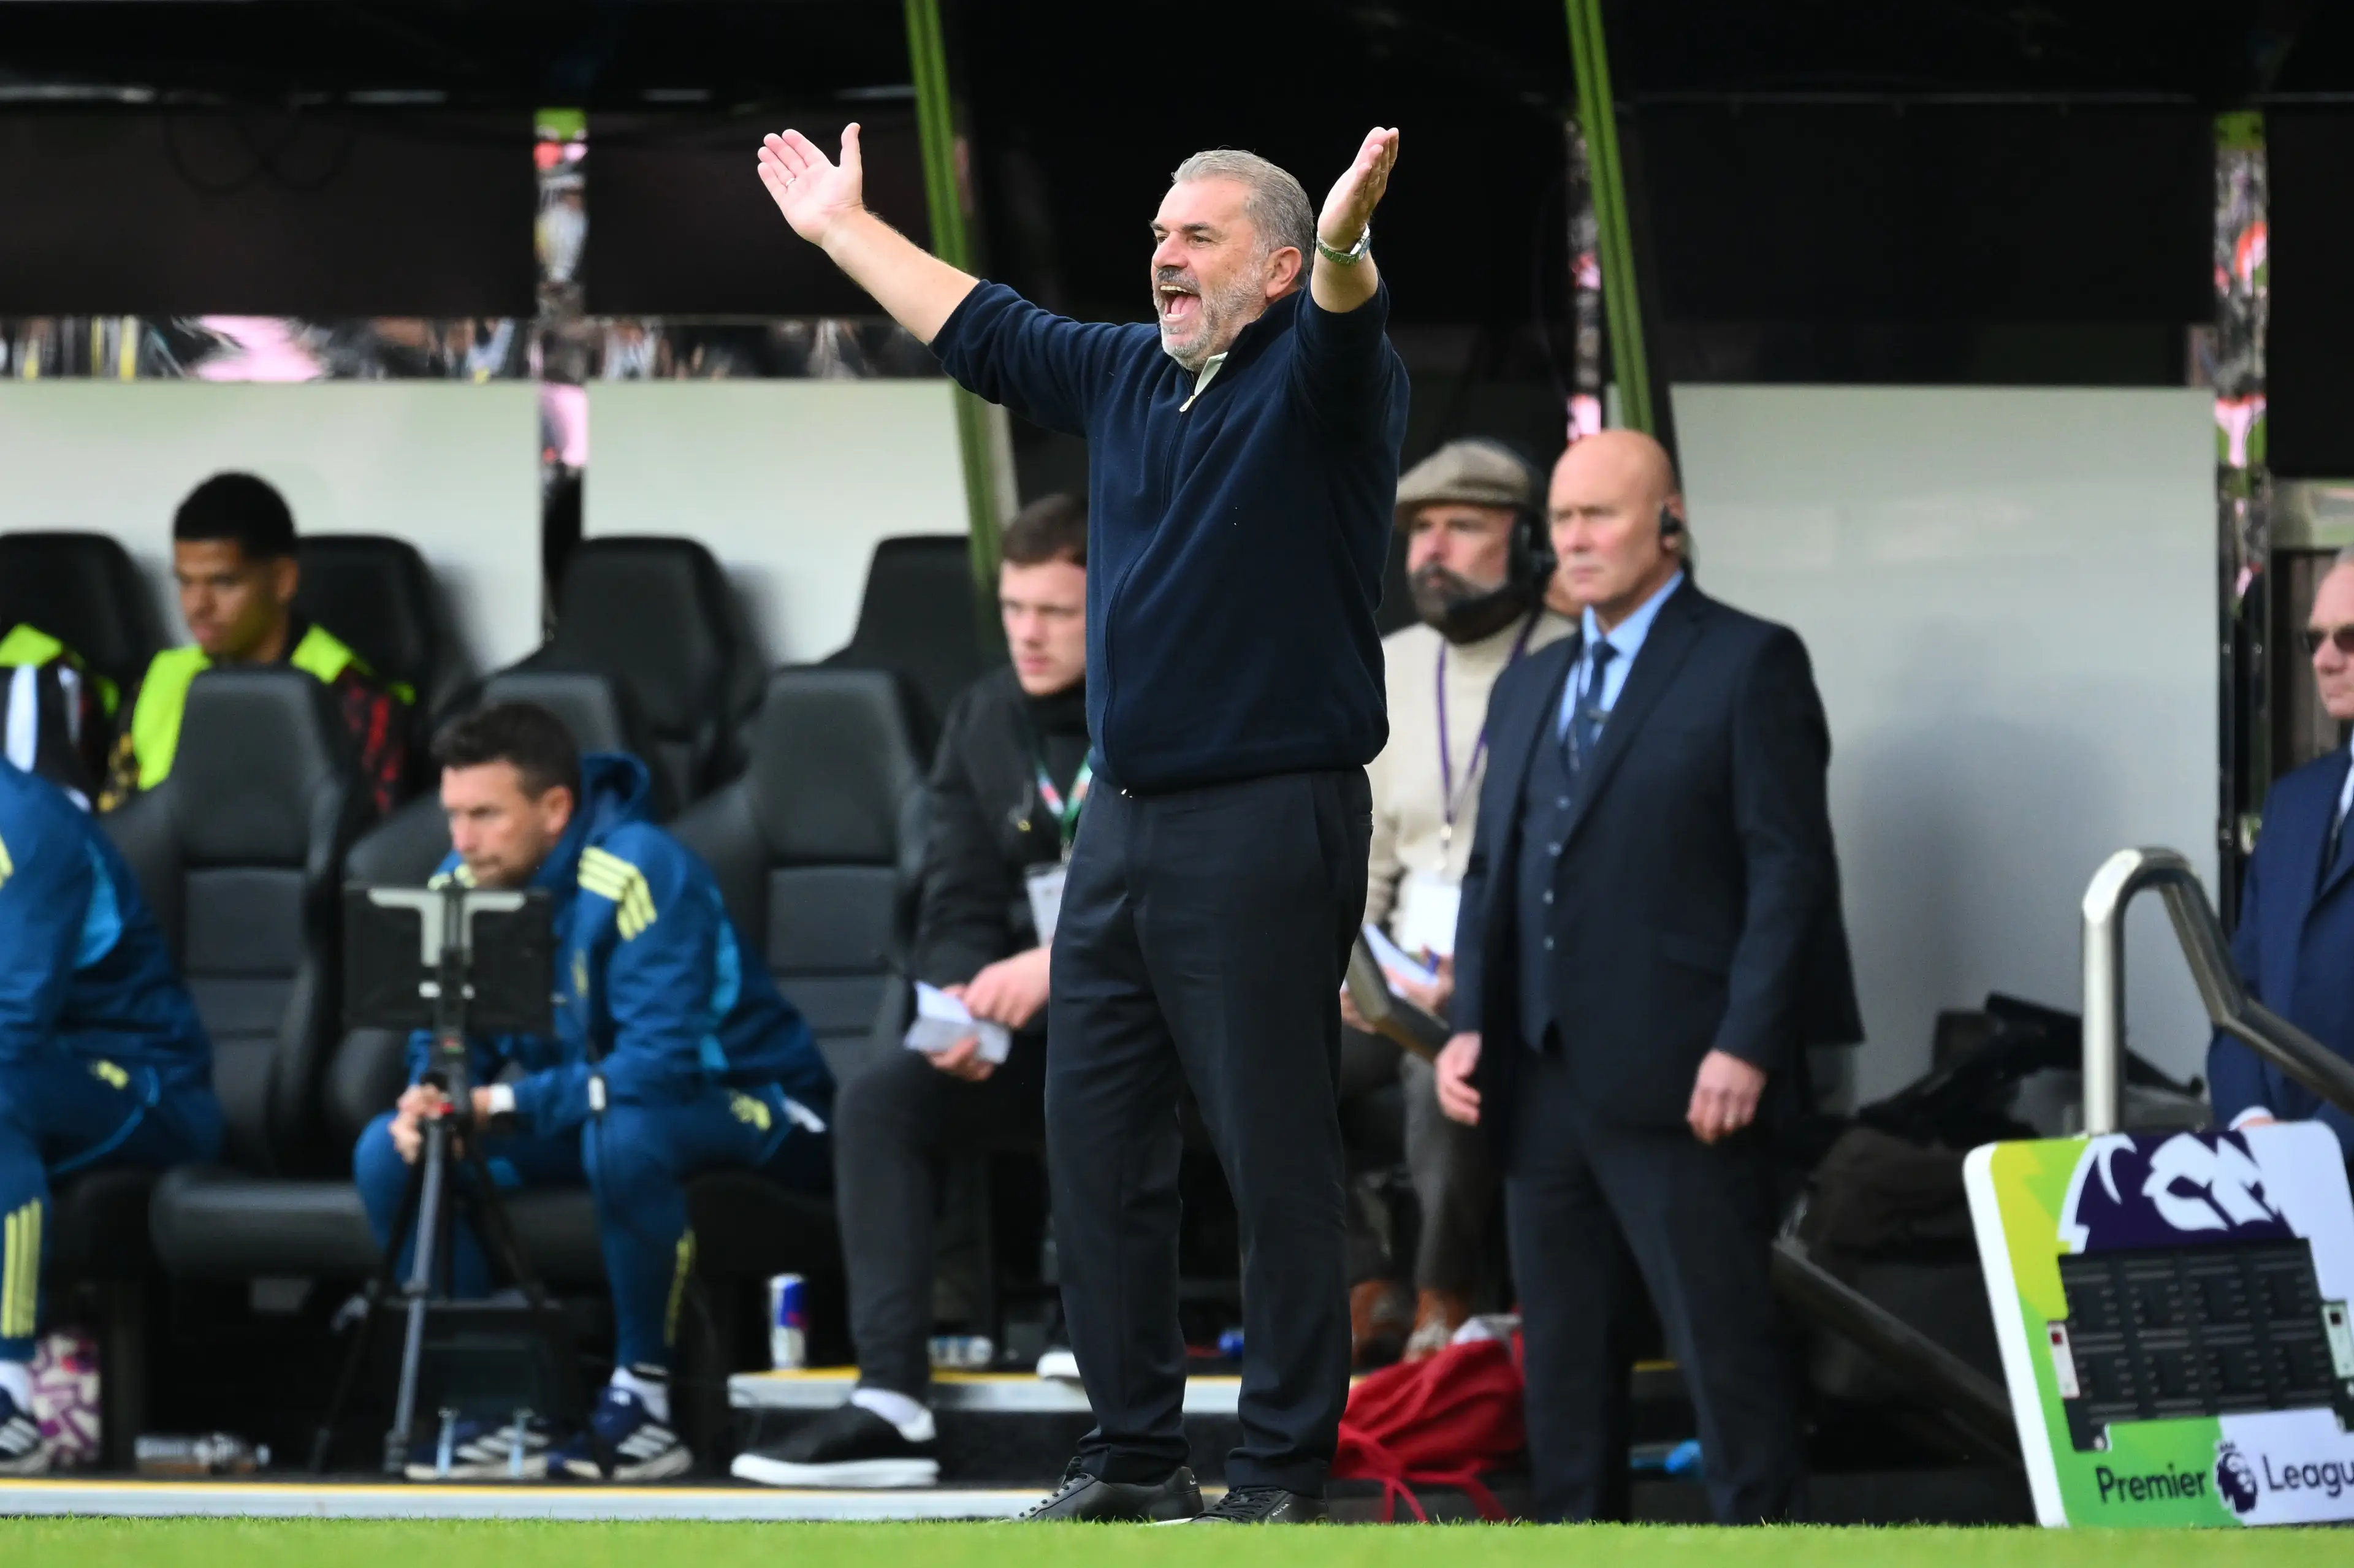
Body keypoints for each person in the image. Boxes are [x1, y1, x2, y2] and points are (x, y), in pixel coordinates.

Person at [758, 123, 1406, 1523]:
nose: (1164, 254)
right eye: (1160, 234)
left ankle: (1285, 1469)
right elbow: (979, 327)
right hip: (1121, 818)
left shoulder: (1318, 374)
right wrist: (838, 232)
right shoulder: (1123, 373)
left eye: (1199, 236)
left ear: (1280, 266)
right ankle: (1130, 1454)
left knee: (1269, 1143)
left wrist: (1351, 245)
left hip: (1266, 811)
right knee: (1094, 1138)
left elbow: (1350, 323)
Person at [1434, 430, 1860, 1524]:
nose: (1573, 541)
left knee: (1727, 1357)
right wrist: (1473, 1023)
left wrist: (1749, 1042)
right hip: (1541, 1082)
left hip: (1690, 1076)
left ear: (1669, 520)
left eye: (1600, 516)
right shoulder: (1531, 683)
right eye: (1562, 520)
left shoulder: (1749, 660)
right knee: (1565, 1377)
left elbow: (1789, 870)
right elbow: (1494, 867)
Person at [351, 703, 834, 1482]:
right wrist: (433, 1094)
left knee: (627, 1127)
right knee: (390, 1151)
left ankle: (646, 1404)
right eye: (452, 815)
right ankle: (483, 1405)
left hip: (752, 1106)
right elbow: (443, 1040)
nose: (462, 840)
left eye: (484, 815)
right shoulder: (460, 882)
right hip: (599, 1114)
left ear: (555, 809)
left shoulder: (640, 869)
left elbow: (658, 1068)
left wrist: (501, 1106)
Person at [732, 494, 1092, 1490]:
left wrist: (1059, 966)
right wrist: (957, 1001)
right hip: (1021, 1017)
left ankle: (1103, 1327)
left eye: (1057, 611)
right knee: (883, 1097)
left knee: (1098, 1052)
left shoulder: (1166, 706)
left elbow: (1195, 897)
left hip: (1157, 1022)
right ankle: (892, 1398)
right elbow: (959, 895)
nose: (1028, 631)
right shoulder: (986, 713)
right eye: (1016, 606)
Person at [1341, 439, 1571, 1364]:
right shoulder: (1388, 661)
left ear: (1526, 543)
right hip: (1393, 967)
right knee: (1251, 1056)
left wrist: (1472, 980)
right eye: (1421, 528)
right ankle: (1361, 1277)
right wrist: (1346, 965)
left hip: (1506, 976)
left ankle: (1445, 1295)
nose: (1433, 549)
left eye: (1464, 527)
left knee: (1447, 1082)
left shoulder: (1571, 662)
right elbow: (1368, 852)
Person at [0, 754, 219, 1474]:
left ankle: (9, 1395)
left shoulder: (25, 824)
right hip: (46, 1079)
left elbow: (15, 1020)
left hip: (145, 1085)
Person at [99, 473, 411, 817]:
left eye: (223, 582)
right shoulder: (158, 682)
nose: (197, 606)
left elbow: (366, 850)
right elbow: (117, 824)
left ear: (283, 581)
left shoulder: (350, 698)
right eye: (186, 582)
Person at [2212, 546, 2354, 1154]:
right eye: (2314, 638)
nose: (2325, 660)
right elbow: (2242, 999)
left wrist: (2321, 1146)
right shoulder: (2295, 802)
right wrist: (2249, 1119)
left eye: (2350, 637)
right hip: (2280, 1180)